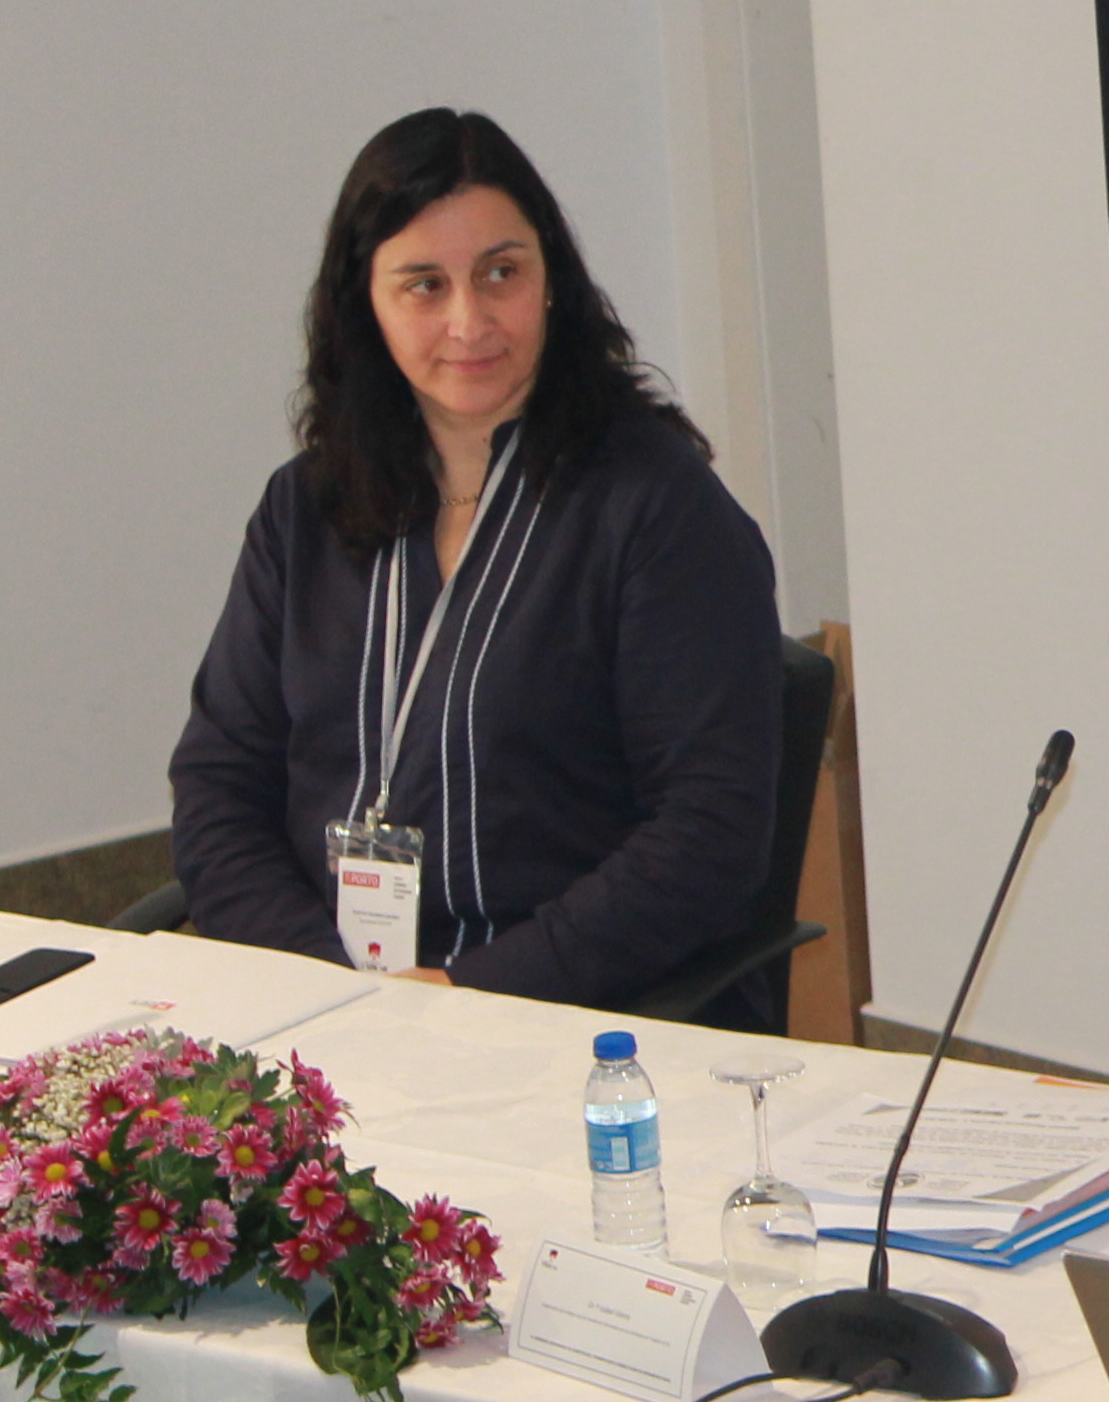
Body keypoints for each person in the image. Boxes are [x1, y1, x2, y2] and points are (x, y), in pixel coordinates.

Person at [170, 109, 784, 1012]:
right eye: (424, 285)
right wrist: (332, 990)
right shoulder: (303, 511)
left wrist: (467, 993)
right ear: (365, 307)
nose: (470, 321)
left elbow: (708, 833)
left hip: (578, 1014)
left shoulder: (655, 507)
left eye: (501, 273)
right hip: (332, 1012)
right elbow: (219, 788)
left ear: (552, 281)